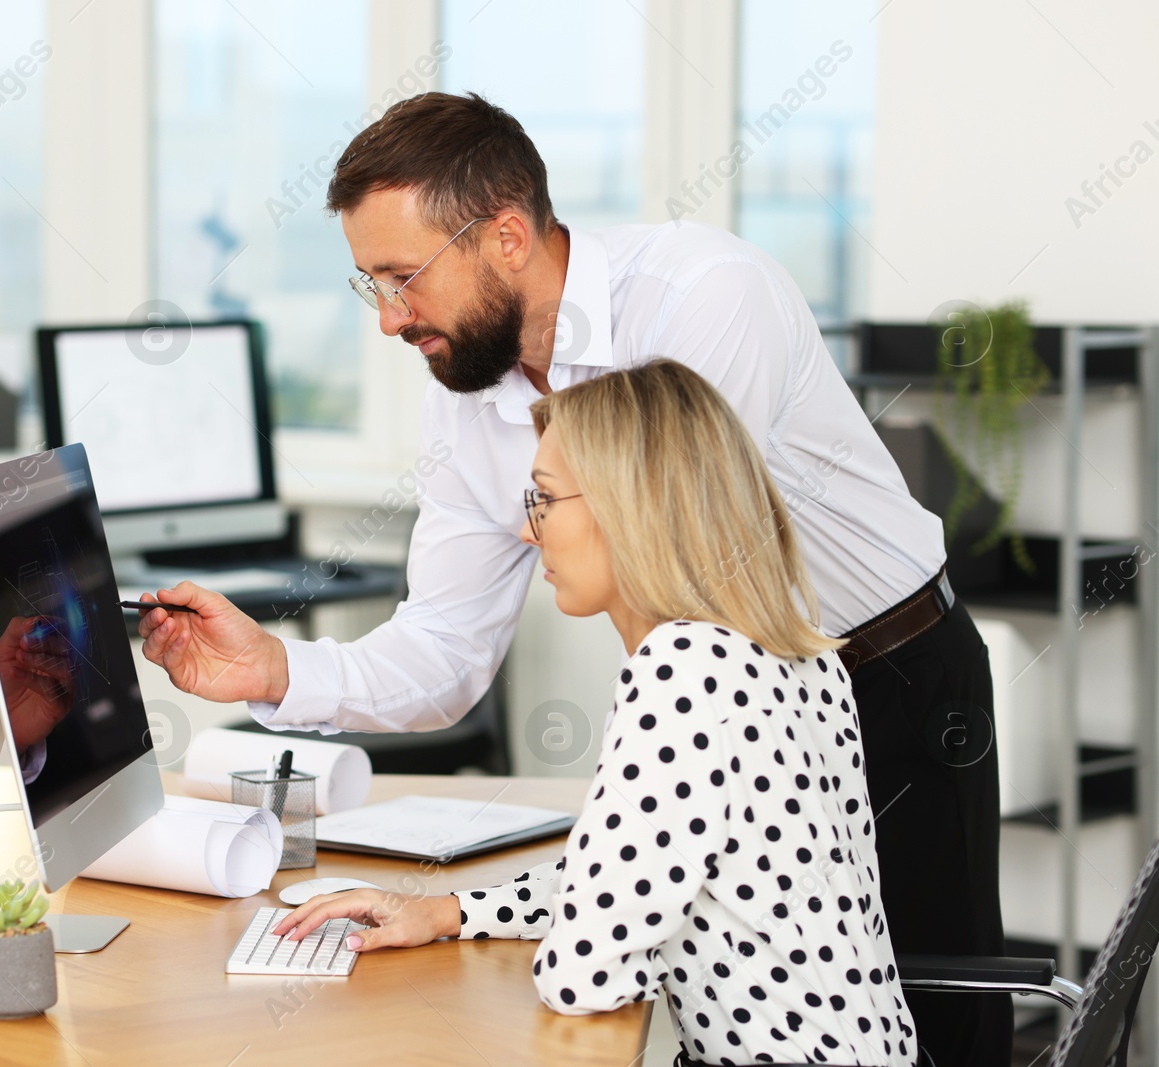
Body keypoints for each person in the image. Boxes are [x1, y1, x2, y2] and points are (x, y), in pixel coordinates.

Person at [138, 92, 1005, 1066]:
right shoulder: (470, 400)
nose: (387, 318)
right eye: (365, 285)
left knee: (945, 1010)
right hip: (781, 680)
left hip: (891, 666)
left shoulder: (702, 297)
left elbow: (688, 565)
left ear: (505, 236)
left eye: (401, 277)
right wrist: (273, 671)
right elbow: (447, 651)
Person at [274, 361, 916, 1066]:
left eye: (544, 498)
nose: (528, 529)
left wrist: (606, 936)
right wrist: (447, 912)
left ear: (629, 506)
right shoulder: (787, 639)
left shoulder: (686, 668)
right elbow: (626, 881)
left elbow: (584, 972)